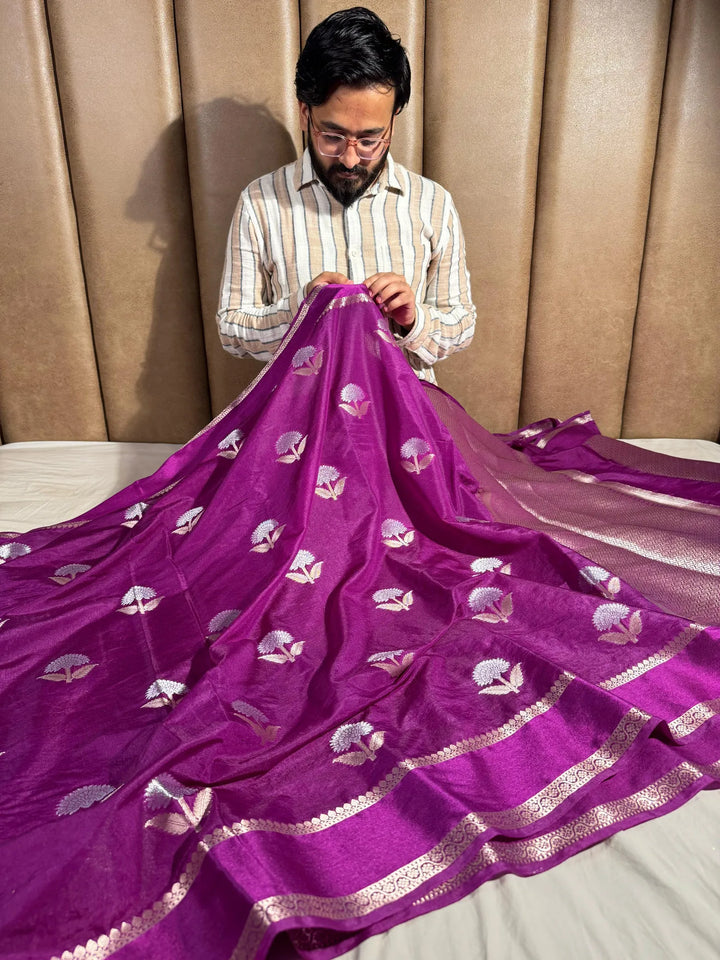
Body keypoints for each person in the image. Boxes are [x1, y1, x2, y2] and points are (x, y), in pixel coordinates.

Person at [217, 6, 476, 382]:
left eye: (370, 139)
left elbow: (462, 325)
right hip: (300, 422)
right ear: (305, 114)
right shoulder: (259, 203)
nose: (351, 159)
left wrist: (413, 319)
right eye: (333, 136)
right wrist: (299, 310)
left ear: (393, 119)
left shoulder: (433, 204)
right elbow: (231, 331)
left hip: (406, 425)